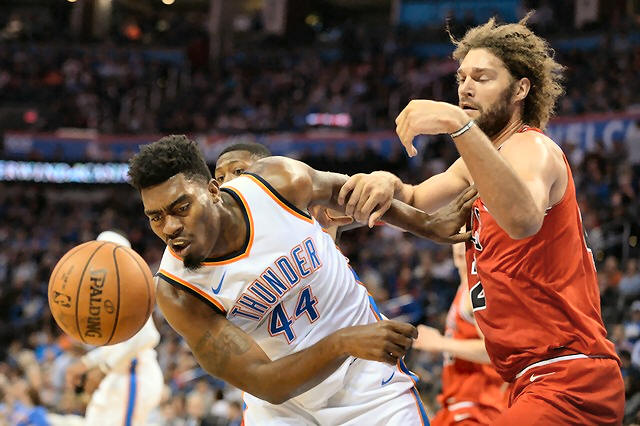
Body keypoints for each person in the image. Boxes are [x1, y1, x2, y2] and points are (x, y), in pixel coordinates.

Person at [337, 16, 624, 425]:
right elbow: (416, 200)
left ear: (520, 89)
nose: (465, 88)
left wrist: (459, 124)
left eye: (482, 77)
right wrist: (386, 182)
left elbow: (522, 219)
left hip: (568, 376)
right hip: (532, 380)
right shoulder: (478, 165)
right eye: (462, 78)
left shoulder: (532, 148)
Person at [127, 135, 476, 425]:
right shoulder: (178, 292)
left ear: (213, 191)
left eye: (181, 208)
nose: (170, 227)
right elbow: (265, 381)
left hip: (367, 378)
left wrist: (426, 224)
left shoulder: (276, 182)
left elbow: (351, 196)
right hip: (282, 407)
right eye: (155, 217)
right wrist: (341, 343)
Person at [61, 230, 164, 426]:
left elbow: (149, 336)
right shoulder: (108, 292)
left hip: (134, 376)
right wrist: (87, 362)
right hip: (120, 375)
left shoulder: (130, 287)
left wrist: (103, 367)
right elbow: (120, 344)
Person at [414, 242, 508, 425]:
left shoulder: (476, 291)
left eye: (467, 231)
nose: (460, 243)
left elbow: (494, 352)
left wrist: (439, 342)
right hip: (460, 401)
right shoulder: (463, 288)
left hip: (479, 404)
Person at [215, 142, 354, 240]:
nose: (226, 183)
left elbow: (365, 208)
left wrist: (364, 181)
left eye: (238, 171)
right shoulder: (220, 240)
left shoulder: (312, 207)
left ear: (269, 173)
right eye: (220, 178)